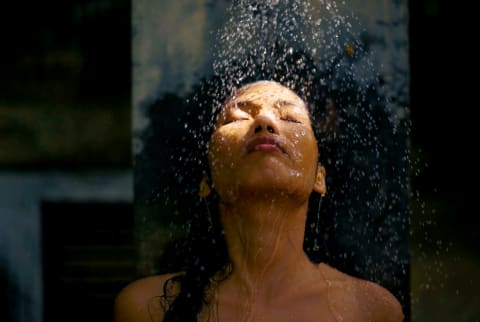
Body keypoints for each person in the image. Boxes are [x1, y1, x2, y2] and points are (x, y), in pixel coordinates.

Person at [114, 80, 404, 322]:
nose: (264, 121)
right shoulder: (146, 309)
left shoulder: (370, 311)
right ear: (206, 181)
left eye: (290, 118)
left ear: (320, 177)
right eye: (237, 118)